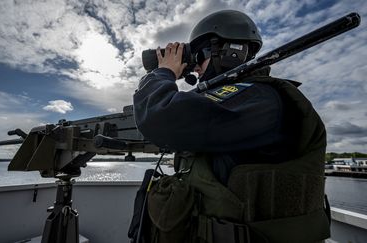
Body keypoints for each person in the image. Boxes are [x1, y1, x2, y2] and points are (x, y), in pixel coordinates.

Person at [132, 10, 330, 243]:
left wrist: (163, 71)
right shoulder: (237, 101)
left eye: (200, 57)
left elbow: (159, 116)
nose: (195, 68)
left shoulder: (262, 99)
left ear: (230, 53)